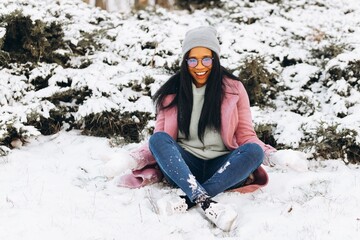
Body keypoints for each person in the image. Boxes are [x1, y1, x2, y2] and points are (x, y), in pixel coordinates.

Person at [117, 26, 276, 231]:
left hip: (222, 167)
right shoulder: (170, 93)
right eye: (193, 60)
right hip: (184, 167)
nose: (199, 66)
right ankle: (203, 199)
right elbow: (160, 142)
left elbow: (246, 135)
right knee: (158, 140)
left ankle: (190, 199)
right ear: (185, 61)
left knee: (253, 152)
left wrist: (272, 156)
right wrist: (133, 158)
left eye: (206, 59)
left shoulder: (234, 89)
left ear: (215, 59)